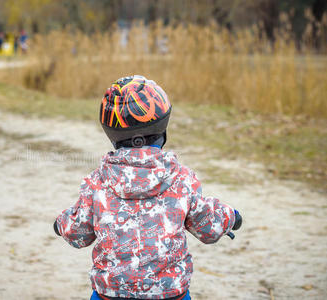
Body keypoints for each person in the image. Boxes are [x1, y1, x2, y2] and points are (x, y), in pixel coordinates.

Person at [53, 75, 243, 299]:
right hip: (169, 293)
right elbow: (207, 226)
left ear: (112, 134)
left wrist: (61, 224)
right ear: (162, 127)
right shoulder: (181, 179)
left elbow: (79, 233)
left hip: (112, 294)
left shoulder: (98, 183)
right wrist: (231, 217)